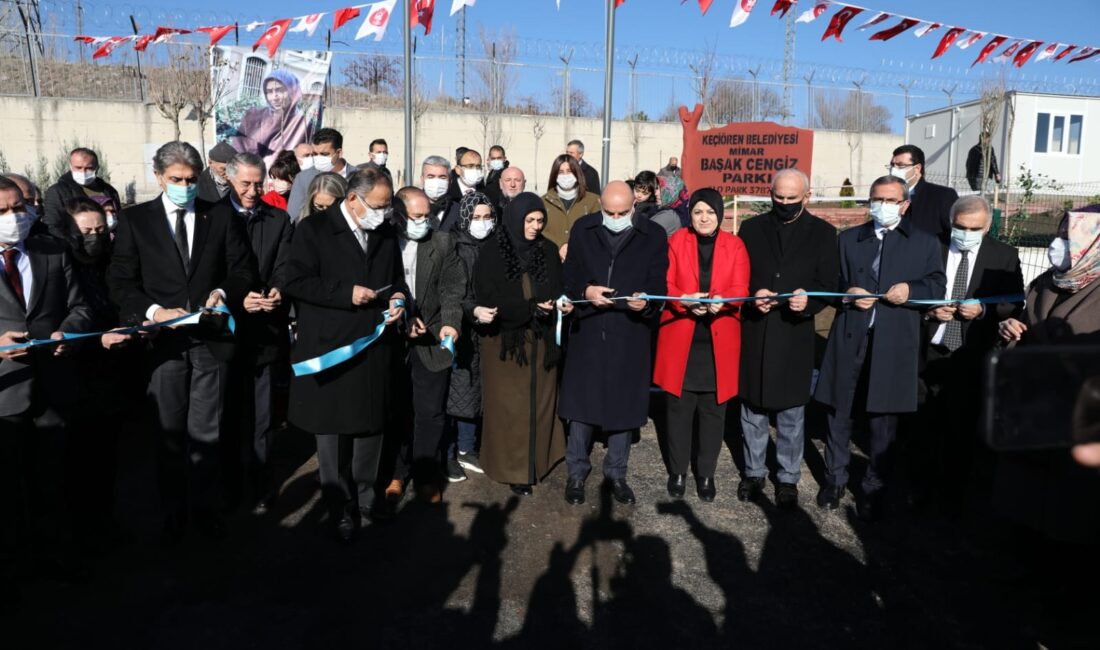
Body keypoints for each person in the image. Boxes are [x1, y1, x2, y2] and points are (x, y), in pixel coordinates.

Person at [107, 141, 257, 545]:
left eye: (191, 180)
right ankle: (173, 511)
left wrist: (223, 294)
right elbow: (121, 281)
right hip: (163, 346)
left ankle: (205, 509)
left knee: (207, 431)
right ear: (159, 177)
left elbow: (243, 269)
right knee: (169, 431)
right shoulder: (136, 221)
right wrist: (154, 313)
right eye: (176, 180)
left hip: (210, 340)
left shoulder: (220, 215)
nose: (186, 187)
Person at [282, 168, 407, 543]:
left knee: (371, 423)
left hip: (374, 344)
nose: (384, 214)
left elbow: (397, 278)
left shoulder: (384, 232)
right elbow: (295, 281)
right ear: (353, 199)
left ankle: (366, 495)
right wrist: (344, 293)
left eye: (387, 207)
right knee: (334, 430)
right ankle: (339, 506)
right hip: (332, 347)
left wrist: (400, 298)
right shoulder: (314, 230)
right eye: (379, 206)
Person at [813, 175, 946, 521]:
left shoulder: (925, 242)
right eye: (876, 199)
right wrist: (847, 293)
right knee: (838, 410)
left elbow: (936, 284)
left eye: (890, 200)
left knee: (883, 419)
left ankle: (873, 487)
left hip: (894, 340)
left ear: (904, 204)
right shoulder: (849, 239)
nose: (882, 206)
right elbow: (831, 283)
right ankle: (834, 478)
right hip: (849, 336)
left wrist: (911, 289)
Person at [0, 176, 93, 582]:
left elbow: (81, 306)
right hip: (5, 395)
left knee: (52, 478)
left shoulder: (52, 250)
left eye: (18, 207)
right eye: (2, 211)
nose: (14, 217)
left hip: (53, 383)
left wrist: (67, 332)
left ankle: (54, 555)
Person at [559, 181, 669, 506]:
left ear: (634, 205)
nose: (616, 217)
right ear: (601, 207)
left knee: (624, 406)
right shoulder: (584, 228)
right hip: (589, 330)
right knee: (580, 407)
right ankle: (576, 473)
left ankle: (616, 473)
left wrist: (645, 302)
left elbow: (657, 283)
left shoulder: (653, 235)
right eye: (610, 212)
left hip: (629, 332)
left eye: (623, 212)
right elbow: (570, 274)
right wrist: (586, 292)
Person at [995, 207, 1100, 543]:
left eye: (1067, 237)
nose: (1057, 243)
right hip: (1029, 406)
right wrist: (1010, 329)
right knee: (1023, 490)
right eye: (1058, 234)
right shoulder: (1046, 281)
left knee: (1069, 505)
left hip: (1077, 416)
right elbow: (1024, 323)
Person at [911, 195, 1022, 510]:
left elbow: (1015, 301)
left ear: (986, 227)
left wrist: (985, 310)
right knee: (923, 423)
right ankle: (919, 485)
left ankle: (952, 492)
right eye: (959, 226)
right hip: (929, 347)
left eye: (973, 228)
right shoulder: (931, 246)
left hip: (970, 352)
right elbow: (910, 290)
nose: (965, 233)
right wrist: (929, 311)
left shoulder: (1004, 256)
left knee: (960, 426)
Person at [738, 169, 840, 508]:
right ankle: (753, 472)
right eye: (778, 197)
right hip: (757, 327)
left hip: (794, 333)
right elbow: (738, 276)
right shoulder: (751, 229)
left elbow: (829, 284)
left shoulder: (825, 234)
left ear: (806, 197)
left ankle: (787, 478)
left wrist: (808, 301)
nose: (783, 204)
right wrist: (753, 294)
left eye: (791, 199)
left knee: (791, 414)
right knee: (752, 408)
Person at [653, 188, 749, 502]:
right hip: (682, 337)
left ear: (720, 214)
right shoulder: (676, 242)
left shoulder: (734, 245)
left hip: (717, 341)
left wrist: (725, 301)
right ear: (690, 215)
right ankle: (678, 471)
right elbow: (665, 282)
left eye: (709, 212)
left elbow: (740, 285)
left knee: (713, 413)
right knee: (678, 411)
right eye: (697, 212)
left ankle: (705, 473)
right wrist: (682, 301)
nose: (704, 218)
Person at [475, 192, 568, 496]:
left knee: (540, 404)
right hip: (506, 346)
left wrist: (558, 304)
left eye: (540, 220)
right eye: (529, 220)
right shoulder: (492, 252)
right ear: (515, 219)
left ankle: (539, 460)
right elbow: (487, 296)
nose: (535, 226)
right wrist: (528, 308)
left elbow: (559, 288)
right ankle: (513, 469)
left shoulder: (548, 250)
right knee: (510, 408)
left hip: (540, 341)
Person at [62, 197, 143, 547]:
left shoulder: (112, 263)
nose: (95, 237)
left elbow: (125, 301)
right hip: (76, 373)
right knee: (78, 459)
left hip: (113, 371)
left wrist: (131, 326)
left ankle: (106, 520)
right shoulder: (62, 265)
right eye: (86, 231)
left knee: (107, 455)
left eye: (100, 230)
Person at [222, 153, 294, 515]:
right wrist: (234, 298)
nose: (252, 191)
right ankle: (230, 482)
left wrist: (279, 288)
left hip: (265, 329)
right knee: (228, 414)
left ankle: (262, 481)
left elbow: (285, 263)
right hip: (224, 333)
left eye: (257, 183)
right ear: (230, 181)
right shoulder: (213, 216)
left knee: (263, 418)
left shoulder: (278, 220)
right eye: (244, 184)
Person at [386, 186, 465, 506]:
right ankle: (396, 472)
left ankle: (426, 474)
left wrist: (450, 322)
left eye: (427, 216)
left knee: (430, 413)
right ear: (399, 215)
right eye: (416, 217)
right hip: (391, 340)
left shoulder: (442, 243)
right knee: (396, 410)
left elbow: (452, 289)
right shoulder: (384, 242)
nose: (423, 222)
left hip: (432, 339)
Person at [445, 192, 496, 482]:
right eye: (476, 217)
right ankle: (450, 452)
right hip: (462, 328)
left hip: (487, 329)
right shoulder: (455, 246)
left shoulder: (496, 244)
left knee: (474, 391)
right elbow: (453, 291)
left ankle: (467, 447)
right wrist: (472, 309)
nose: (482, 223)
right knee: (457, 390)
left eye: (487, 217)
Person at [231, 69, 313, 170]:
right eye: (269, 92)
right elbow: (239, 147)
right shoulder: (254, 116)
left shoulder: (304, 123)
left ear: (292, 90)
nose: (274, 97)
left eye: (280, 90)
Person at [41, 147, 122, 239]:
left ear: (97, 168)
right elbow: (52, 226)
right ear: (71, 166)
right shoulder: (58, 191)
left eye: (89, 168)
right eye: (78, 167)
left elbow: (120, 217)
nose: (83, 172)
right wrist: (75, 243)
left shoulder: (109, 190)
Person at [889, 144, 958, 244]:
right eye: (892, 165)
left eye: (900, 165)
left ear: (917, 168)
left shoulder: (942, 196)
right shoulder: (887, 196)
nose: (893, 170)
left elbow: (953, 233)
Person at [541, 153, 600, 260]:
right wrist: (559, 245)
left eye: (569, 171)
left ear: (577, 173)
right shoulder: (543, 202)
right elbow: (540, 230)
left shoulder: (593, 201)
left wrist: (574, 246)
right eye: (561, 172)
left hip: (583, 262)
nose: (565, 176)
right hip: (552, 261)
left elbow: (598, 231)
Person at [286, 128, 353, 220]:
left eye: (324, 154)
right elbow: (294, 216)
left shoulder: (357, 175)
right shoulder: (303, 178)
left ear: (339, 153)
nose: (318, 158)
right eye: (315, 154)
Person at [420, 155, 457, 229]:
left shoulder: (457, 210)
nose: (436, 182)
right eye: (430, 177)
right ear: (422, 179)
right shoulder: (412, 208)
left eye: (442, 177)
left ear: (450, 181)